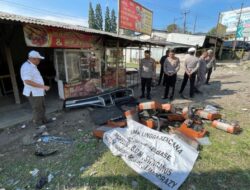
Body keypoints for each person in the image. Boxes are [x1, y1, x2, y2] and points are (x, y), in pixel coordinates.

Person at [20, 50, 50, 126]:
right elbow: (27, 81)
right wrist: (43, 86)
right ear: (33, 59)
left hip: (38, 92)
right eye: (38, 59)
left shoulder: (32, 65)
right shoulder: (27, 67)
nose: (39, 61)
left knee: (42, 107)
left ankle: (44, 120)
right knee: (37, 109)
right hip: (34, 92)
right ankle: (38, 124)